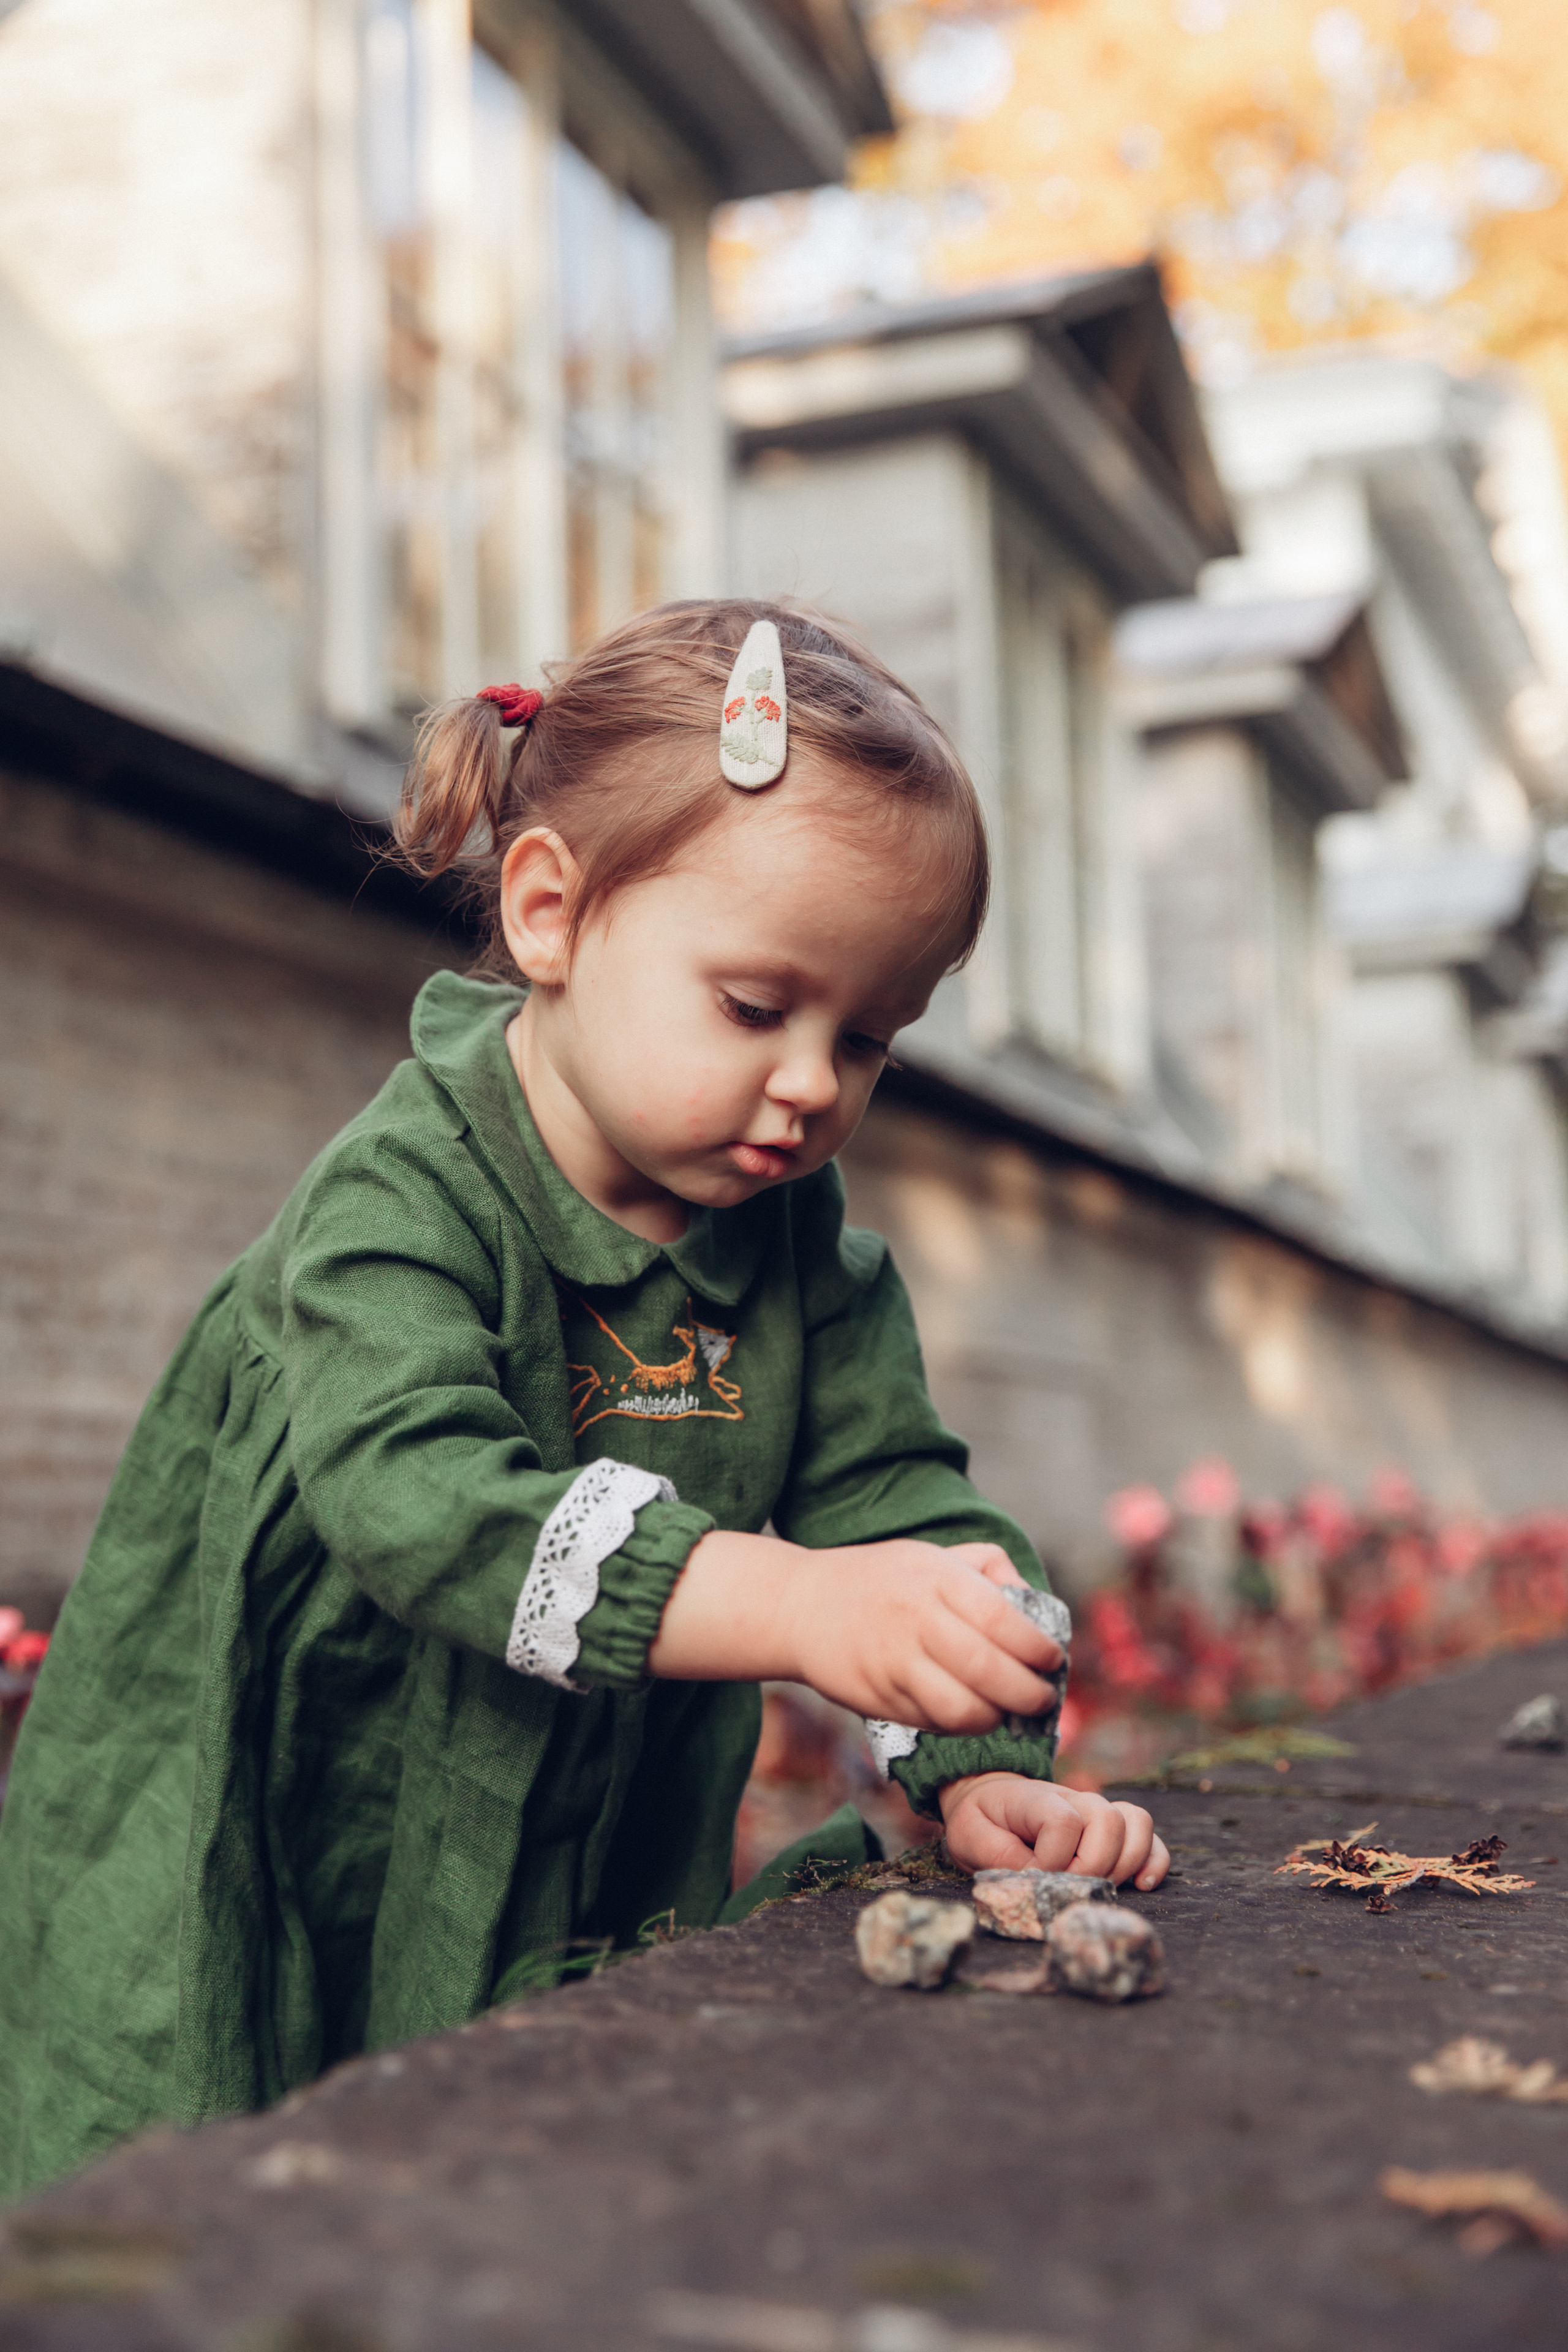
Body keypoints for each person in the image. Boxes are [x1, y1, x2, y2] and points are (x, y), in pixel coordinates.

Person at [0, 600, 1166, 2198]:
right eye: (759, 1009)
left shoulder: (799, 1255)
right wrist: (788, 1600)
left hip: (570, 1813)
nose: (817, 1082)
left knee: (528, 2151)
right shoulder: (404, 1199)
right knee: (233, 2159)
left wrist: (982, 1757)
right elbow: (417, 1500)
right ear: (551, 915)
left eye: (871, 1038)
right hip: (294, 1787)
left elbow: (894, 1502)